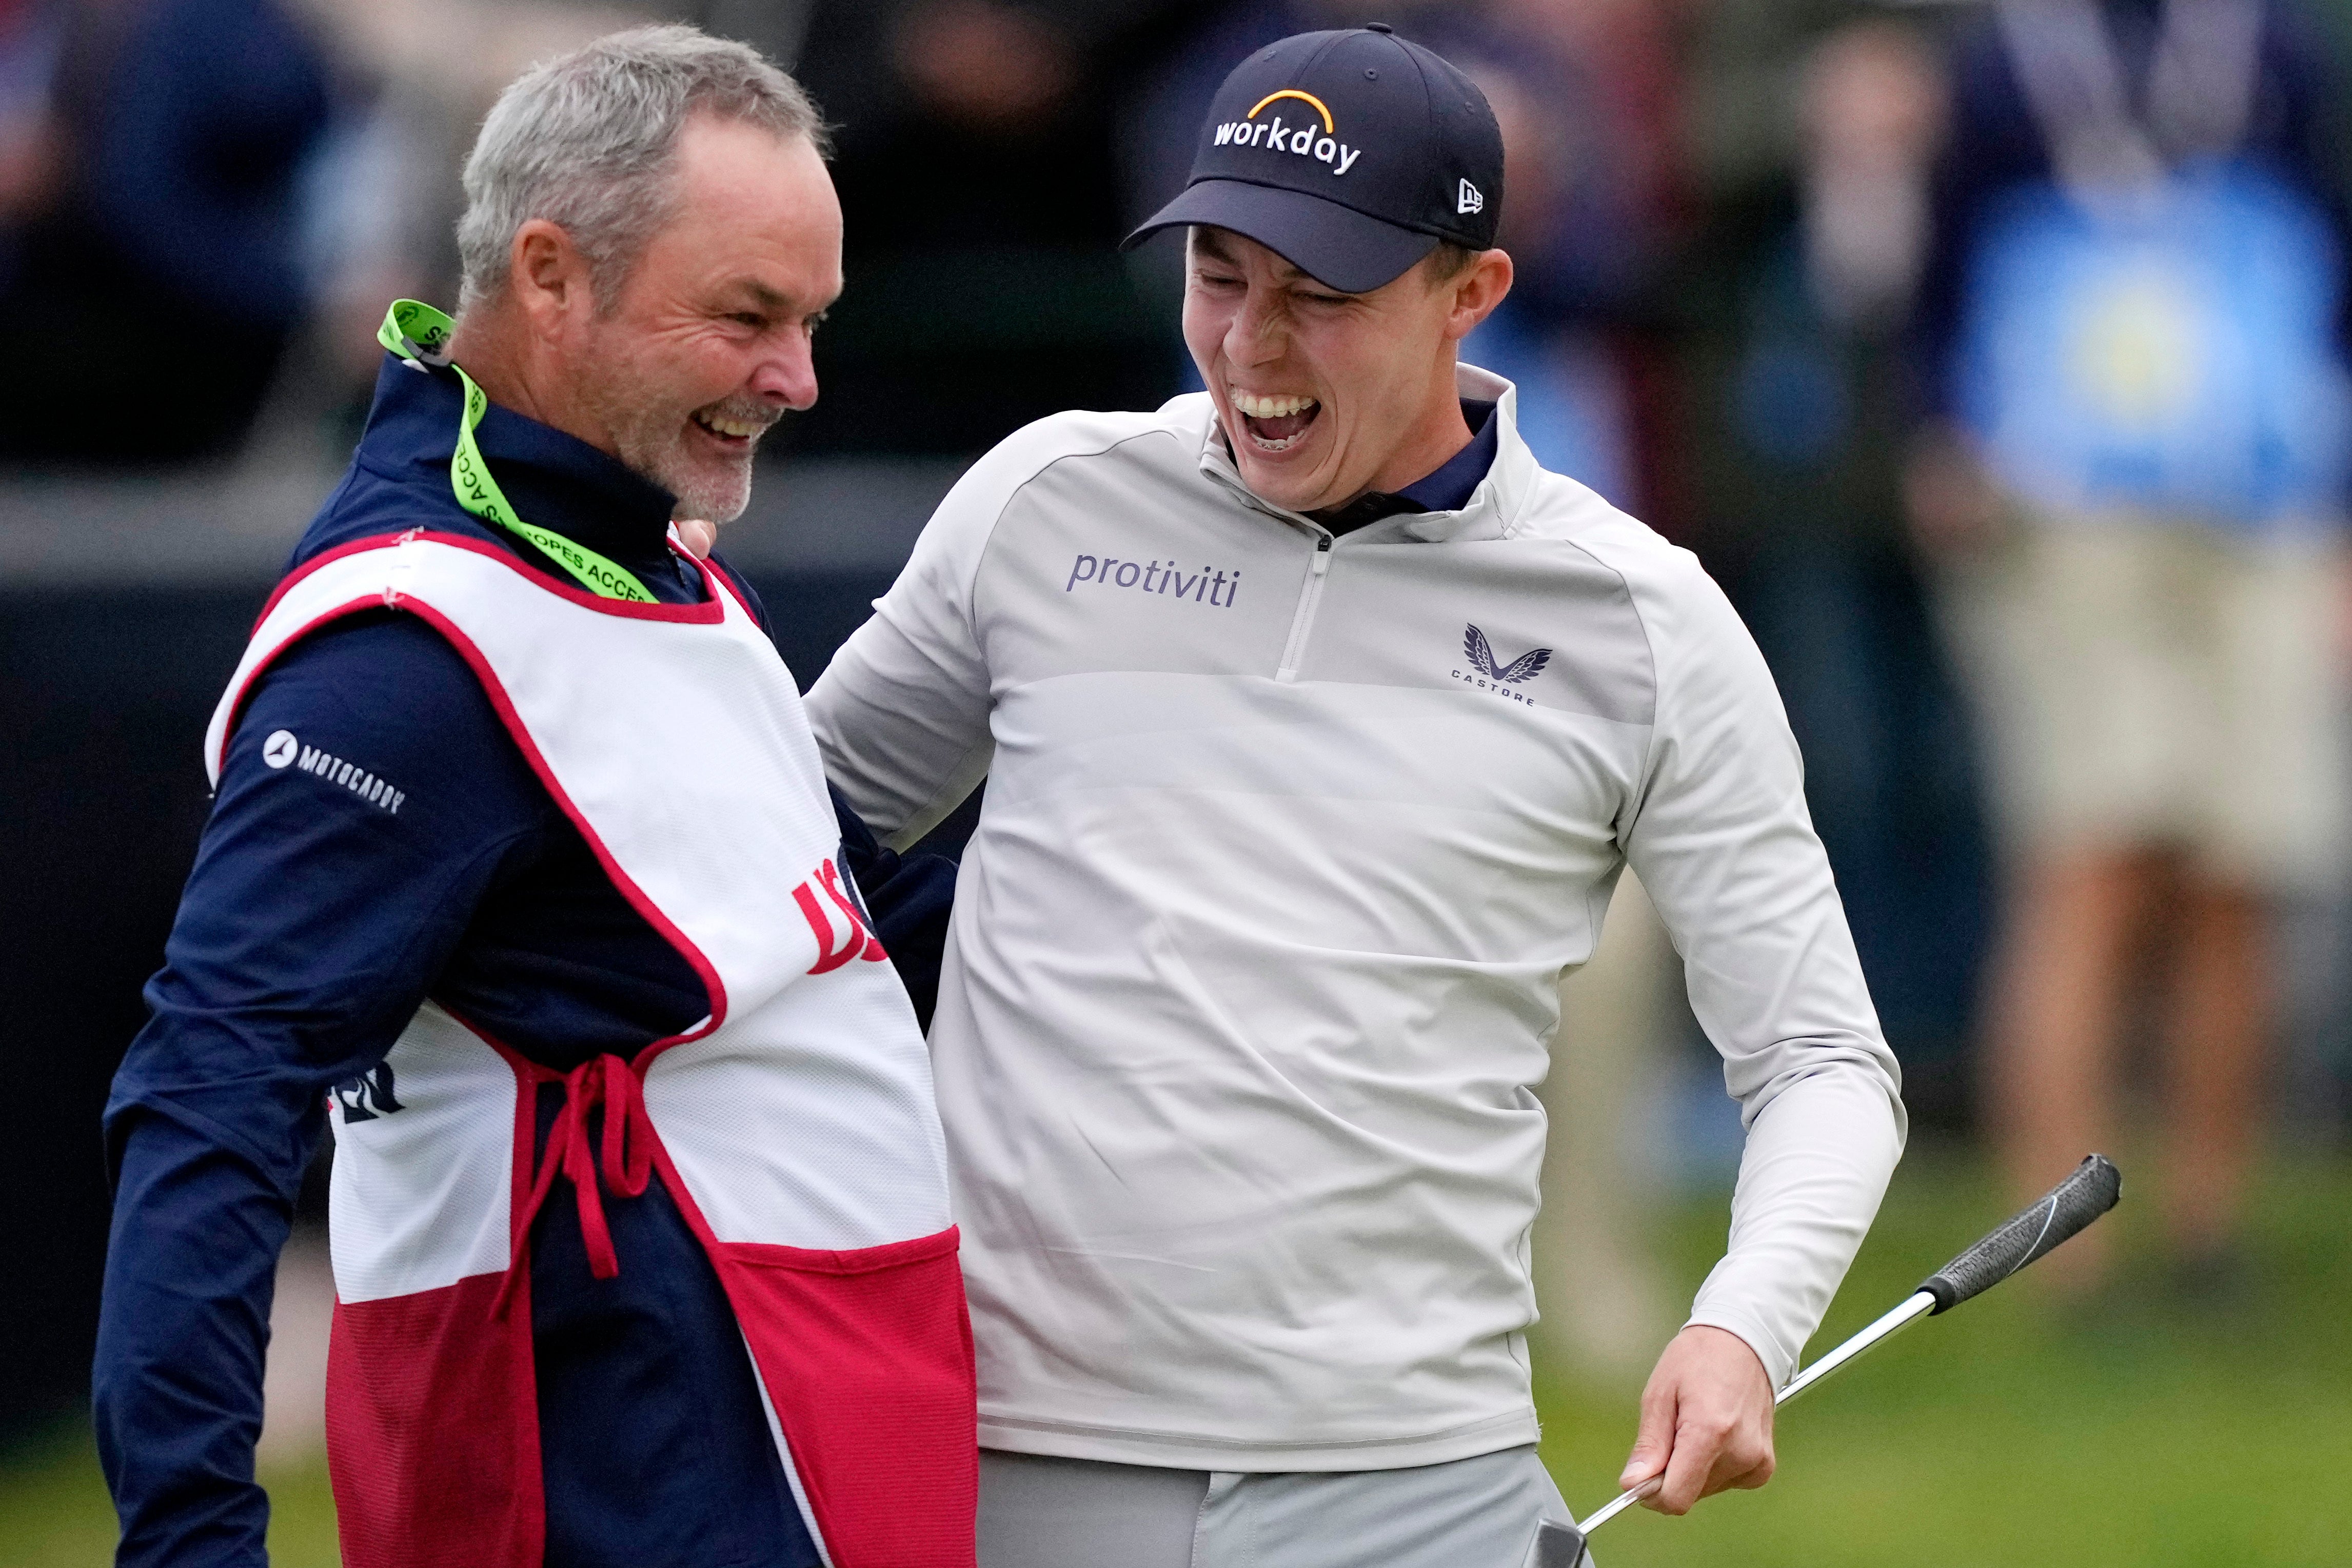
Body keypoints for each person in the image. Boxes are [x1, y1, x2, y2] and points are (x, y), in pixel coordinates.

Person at [801, 27, 1907, 1567]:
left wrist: (1744, 1327)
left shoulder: (1639, 615)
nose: (1253, 346)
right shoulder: (1041, 502)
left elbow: (1820, 1060)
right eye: (1220, 276)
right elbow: (782, 852)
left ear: (1472, 295)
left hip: (1413, 1484)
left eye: (1320, 295)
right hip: (999, 1456)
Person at [93, 28, 974, 1568]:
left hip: (815, 1439)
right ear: (553, 276)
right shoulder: (399, 651)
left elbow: (825, 919)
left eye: (813, 319)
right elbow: (209, 1101)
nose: (800, 378)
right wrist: (190, 1544)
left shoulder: (631, 534)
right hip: (648, 1476)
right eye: (749, 317)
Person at [1908, 0, 2351, 1290]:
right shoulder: (2006, 54)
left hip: (2260, 490)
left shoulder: (2269, 40)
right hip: (2068, 499)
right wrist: (1941, 426)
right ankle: (2057, 1255)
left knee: (2238, 866)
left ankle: (2208, 1225)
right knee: (2087, 854)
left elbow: (2328, 247)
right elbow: (1943, 264)